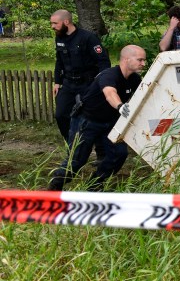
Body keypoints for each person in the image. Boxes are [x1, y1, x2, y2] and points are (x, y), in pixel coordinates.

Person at [49, 45, 147, 191]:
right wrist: (120, 106)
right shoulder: (109, 75)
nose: (143, 64)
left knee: (119, 155)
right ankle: (54, 187)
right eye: (140, 60)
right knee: (76, 162)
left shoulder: (134, 79)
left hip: (110, 123)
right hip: (87, 121)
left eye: (144, 60)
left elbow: (146, 95)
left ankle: (94, 185)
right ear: (126, 59)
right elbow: (110, 93)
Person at [51, 9, 111, 143]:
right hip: (68, 84)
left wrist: (102, 83)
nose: (52, 26)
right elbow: (59, 61)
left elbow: (103, 61)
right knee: (61, 115)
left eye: (55, 23)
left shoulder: (88, 38)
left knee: (94, 117)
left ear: (66, 21)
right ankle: (71, 145)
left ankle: (100, 152)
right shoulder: (59, 37)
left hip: (88, 84)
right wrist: (57, 82)